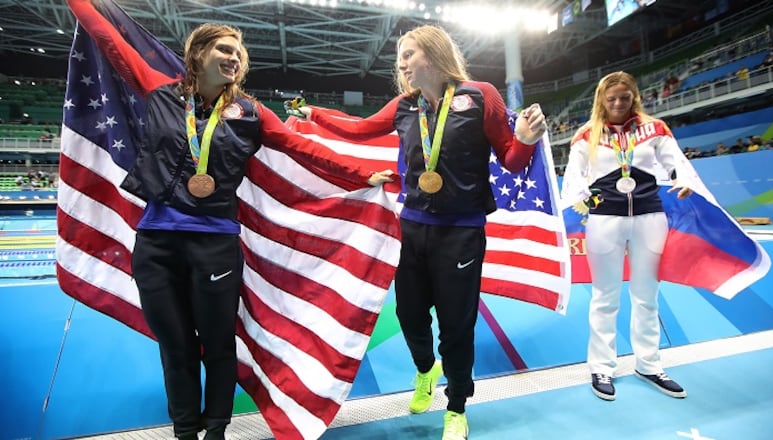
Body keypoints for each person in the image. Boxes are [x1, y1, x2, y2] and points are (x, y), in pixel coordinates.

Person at [65, 1, 394, 439]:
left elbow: (303, 150)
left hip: (214, 243)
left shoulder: (252, 114)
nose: (234, 57)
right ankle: (185, 431)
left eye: (239, 52)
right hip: (156, 245)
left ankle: (217, 429)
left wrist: (361, 174)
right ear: (198, 54)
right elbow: (111, 42)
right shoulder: (160, 93)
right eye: (223, 48)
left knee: (218, 346)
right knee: (176, 347)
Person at [296, 24, 547, 440]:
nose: (401, 62)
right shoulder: (405, 106)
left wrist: (524, 141)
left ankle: (457, 407)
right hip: (412, 228)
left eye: (408, 53)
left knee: (456, 325)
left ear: (431, 54)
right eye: (400, 55)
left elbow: (512, 160)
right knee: (410, 315)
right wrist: (313, 114)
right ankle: (426, 370)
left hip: (461, 232)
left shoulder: (481, 94)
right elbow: (359, 129)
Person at [561, 71, 692, 402]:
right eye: (611, 98)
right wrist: (580, 201)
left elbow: (677, 163)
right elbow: (573, 178)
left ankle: (649, 364)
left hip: (650, 217)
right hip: (605, 219)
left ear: (634, 97)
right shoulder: (586, 135)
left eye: (625, 97)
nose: (618, 103)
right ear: (601, 101)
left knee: (647, 295)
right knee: (605, 297)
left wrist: (684, 179)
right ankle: (601, 366)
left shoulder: (655, 129)